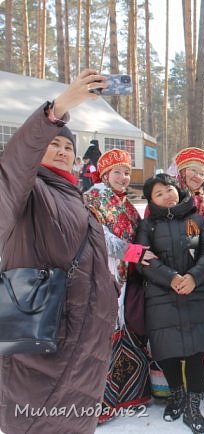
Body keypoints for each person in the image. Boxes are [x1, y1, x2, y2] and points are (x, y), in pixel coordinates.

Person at [0, 69, 118, 433]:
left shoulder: (75, 198)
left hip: (85, 349)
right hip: (41, 346)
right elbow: (14, 164)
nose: (63, 150)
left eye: (69, 146)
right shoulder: (25, 189)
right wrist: (59, 109)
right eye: (55, 143)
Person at [136, 174, 204, 433]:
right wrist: (170, 278)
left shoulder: (195, 219)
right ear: (151, 200)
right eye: (159, 193)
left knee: (195, 350)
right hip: (162, 295)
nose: (166, 195)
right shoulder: (147, 226)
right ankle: (176, 394)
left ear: (178, 190)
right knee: (167, 351)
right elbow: (141, 258)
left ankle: (194, 405)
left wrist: (194, 277)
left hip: (195, 292)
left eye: (169, 189)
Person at [83, 149, 156, 422]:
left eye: (127, 172)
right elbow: (101, 240)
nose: (124, 177)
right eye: (118, 172)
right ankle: (100, 403)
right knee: (104, 333)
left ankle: (129, 395)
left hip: (126, 280)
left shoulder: (126, 204)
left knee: (128, 331)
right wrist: (136, 254)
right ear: (104, 174)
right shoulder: (93, 199)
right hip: (103, 277)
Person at [174, 147, 204, 232]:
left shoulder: (202, 201)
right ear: (182, 172)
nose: (197, 176)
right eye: (193, 170)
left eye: (202, 174)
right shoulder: (170, 194)